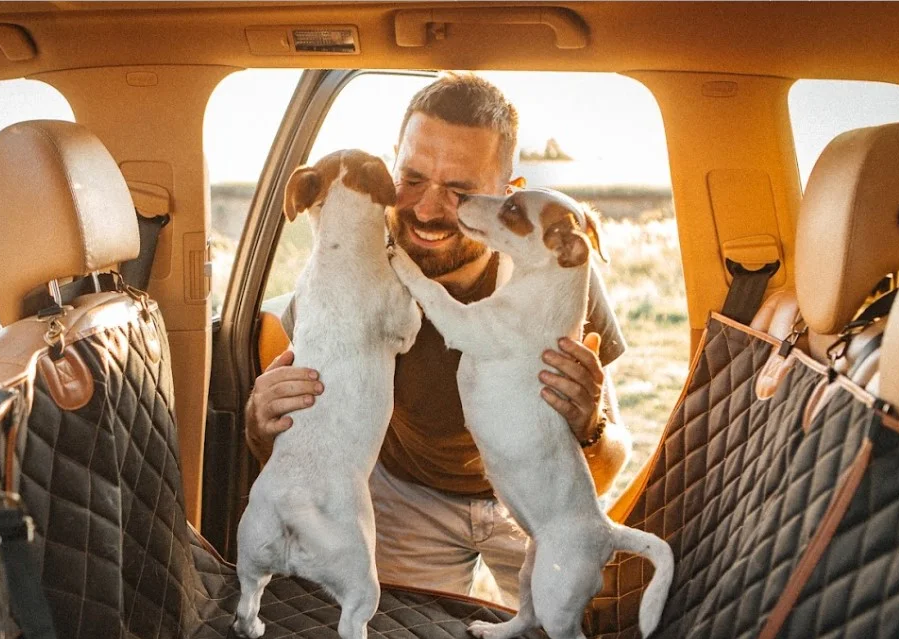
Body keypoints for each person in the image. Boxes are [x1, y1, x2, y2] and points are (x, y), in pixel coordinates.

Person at [244, 73, 631, 607]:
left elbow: (608, 466)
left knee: (597, 636)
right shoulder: (348, 274)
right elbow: (292, 445)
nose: (427, 210)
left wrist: (588, 426)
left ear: (507, 194)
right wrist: (262, 423)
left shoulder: (553, 280)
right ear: (389, 169)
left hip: (528, 500)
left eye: (461, 191)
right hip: (406, 498)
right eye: (414, 177)